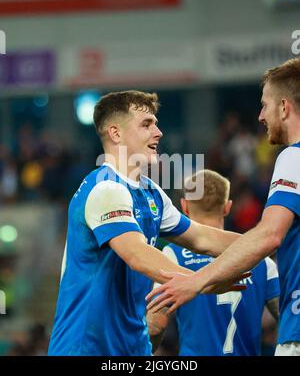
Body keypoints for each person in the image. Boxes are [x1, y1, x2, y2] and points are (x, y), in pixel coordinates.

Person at [48, 91, 247, 356]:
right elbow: (137, 255)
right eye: (147, 124)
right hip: (85, 348)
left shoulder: (151, 193)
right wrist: (203, 281)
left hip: (133, 348)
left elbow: (202, 238)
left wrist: (265, 242)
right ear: (116, 134)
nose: (159, 132)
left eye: (155, 123)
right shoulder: (106, 189)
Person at [147, 58, 300, 356]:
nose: (260, 116)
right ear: (227, 206)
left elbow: (270, 235)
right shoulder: (262, 265)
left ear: (284, 107)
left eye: (265, 105)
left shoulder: (294, 157)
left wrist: (195, 282)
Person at [146, 170, 280, 356]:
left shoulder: (172, 255)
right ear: (227, 207)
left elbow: (155, 325)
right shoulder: (260, 259)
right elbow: (290, 316)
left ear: (184, 207)